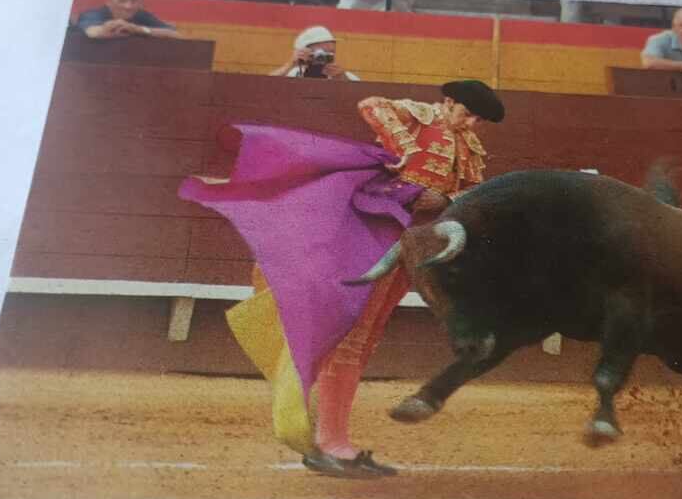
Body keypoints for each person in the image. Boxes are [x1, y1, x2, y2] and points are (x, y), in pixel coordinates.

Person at [178, 80, 504, 478]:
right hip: (374, 234)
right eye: (466, 113)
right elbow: (372, 104)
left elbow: (470, 193)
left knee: (363, 340)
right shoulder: (418, 116)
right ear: (449, 102)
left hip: (412, 246)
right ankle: (332, 443)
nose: (471, 123)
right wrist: (406, 150)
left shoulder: (470, 147)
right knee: (350, 339)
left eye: (479, 120)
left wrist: (447, 201)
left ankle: (331, 439)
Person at [75, 0, 181, 39]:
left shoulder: (141, 15)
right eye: (122, 0)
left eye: (134, 1)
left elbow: (175, 34)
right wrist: (106, 29)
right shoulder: (94, 14)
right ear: (110, 2)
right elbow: (92, 32)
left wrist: (138, 29)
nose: (128, 6)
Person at [269, 26, 360, 80]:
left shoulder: (342, 76)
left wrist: (342, 79)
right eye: (320, 53)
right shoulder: (292, 73)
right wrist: (290, 64)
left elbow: (361, 98)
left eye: (330, 53)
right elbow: (266, 85)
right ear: (304, 52)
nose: (323, 58)